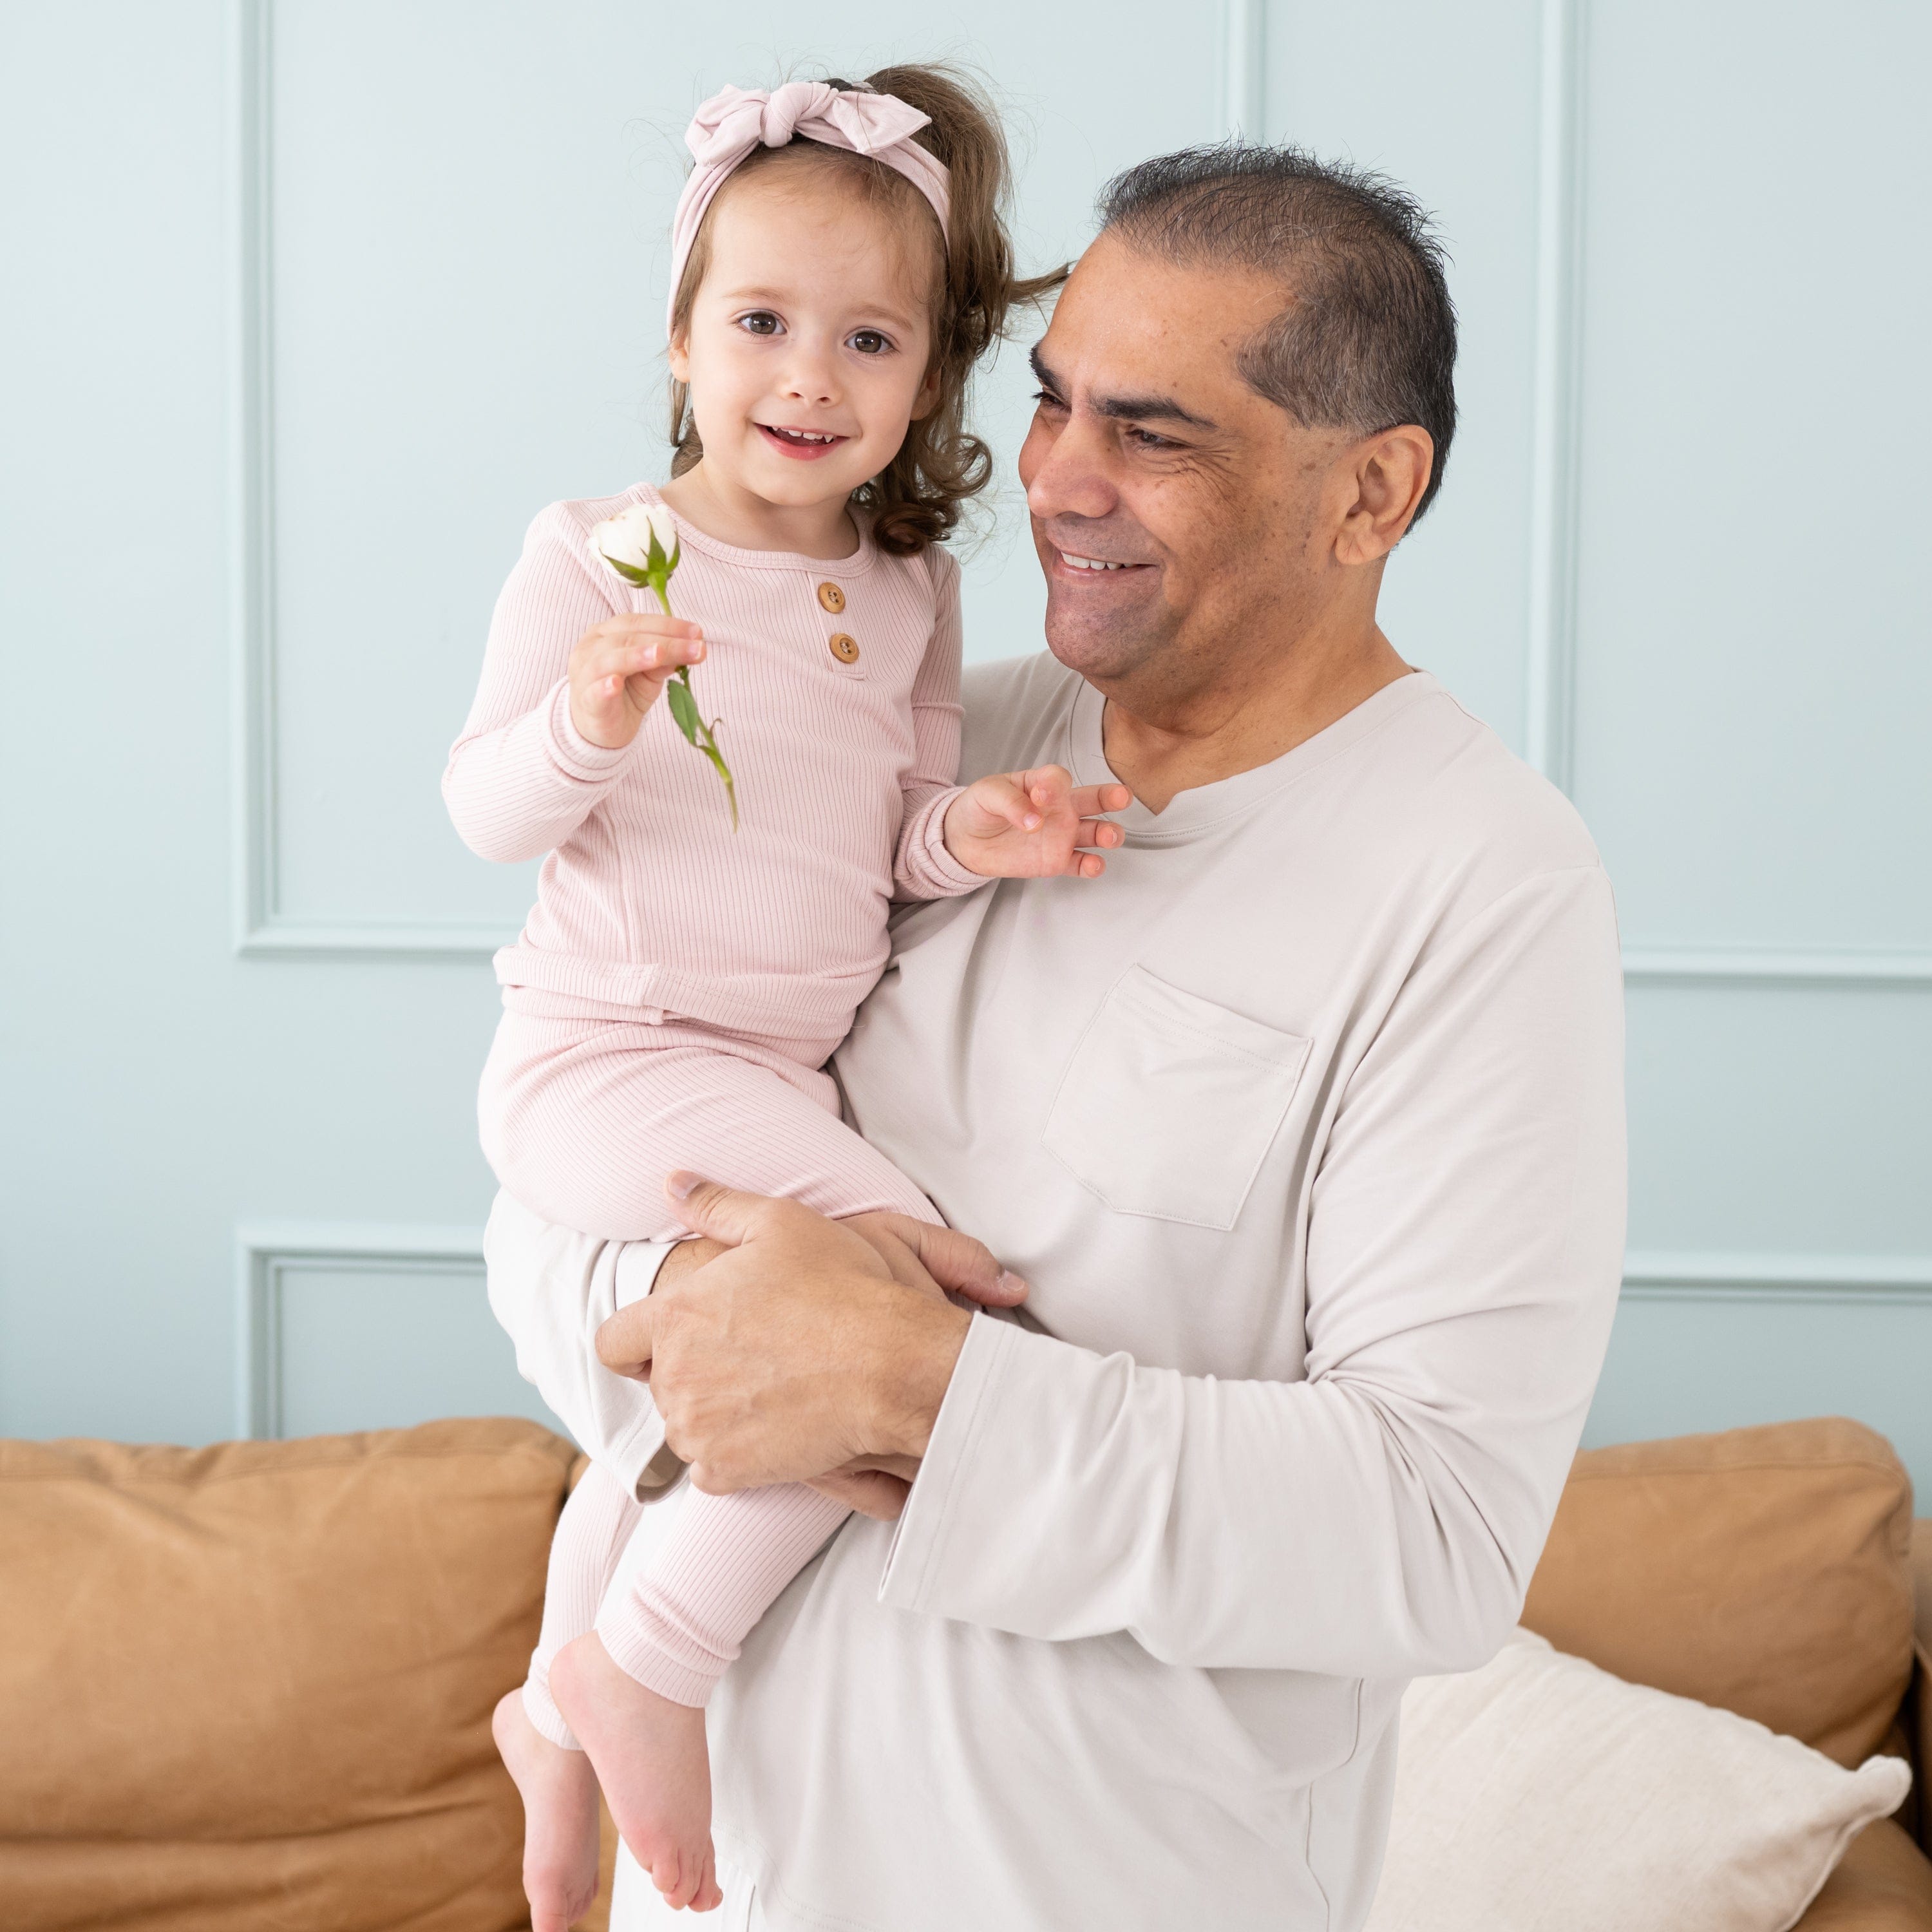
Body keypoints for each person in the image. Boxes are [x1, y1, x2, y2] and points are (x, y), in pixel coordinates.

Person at [489, 144, 1628, 1931]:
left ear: (1372, 494)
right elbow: (558, 1181)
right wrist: (688, 1329)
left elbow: (1434, 1536)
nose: (1056, 482)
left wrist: (916, 1388)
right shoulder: (932, 742)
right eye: (1047, 403)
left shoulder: (1480, 881)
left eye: (1154, 434)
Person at [443, 71, 1128, 1925]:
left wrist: (976, 833)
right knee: (886, 1300)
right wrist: (585, 723)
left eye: (867, 339)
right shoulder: (596, 553)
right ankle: (653, 1657)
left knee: (691, 1411)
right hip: (608, 1055)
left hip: (773, 1075)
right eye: (759, 324)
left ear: (926, 382)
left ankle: (561, 1726)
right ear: (681, 338)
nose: (807, 378)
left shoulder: (905, 591)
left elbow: (887, 837)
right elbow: (485, 805)